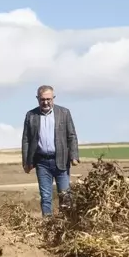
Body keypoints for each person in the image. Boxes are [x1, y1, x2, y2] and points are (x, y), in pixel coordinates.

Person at [21, 85, 79, 217]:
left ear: (53, 98)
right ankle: (47, 225)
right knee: (46, 196)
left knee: (65, 195)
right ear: (37, 99)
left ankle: (65, 224)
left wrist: (74, 156)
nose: (46, 102)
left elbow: (71, 135)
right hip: (42, 162)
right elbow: (26, 140)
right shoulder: (31, 115)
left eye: (48, 99)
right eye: (42, 99)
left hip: (61, 160)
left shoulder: (64, 113)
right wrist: (26, 162)